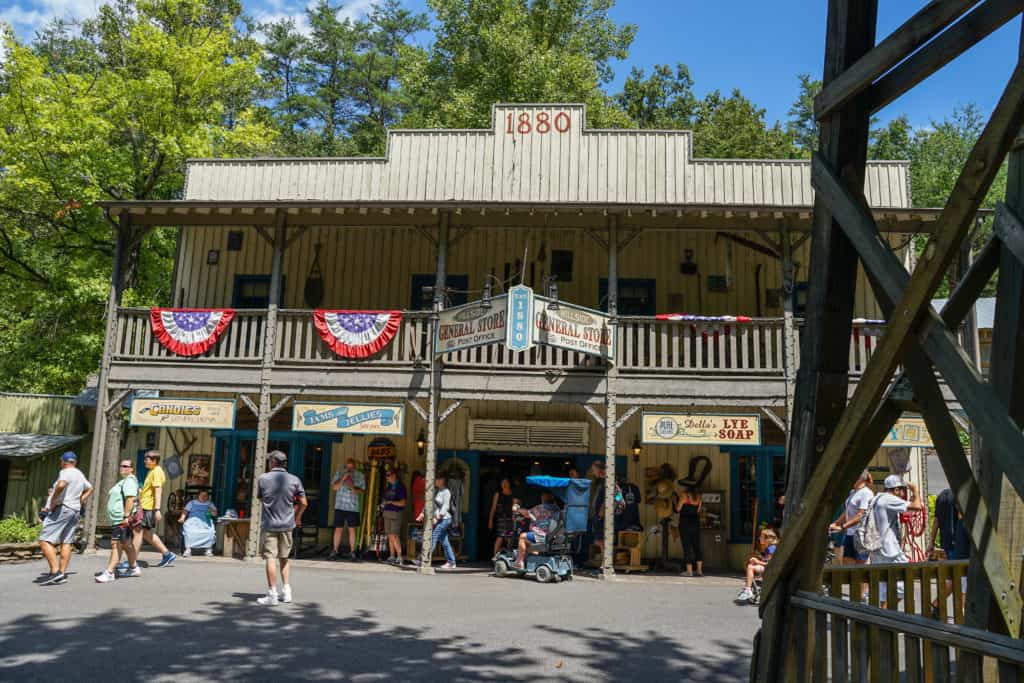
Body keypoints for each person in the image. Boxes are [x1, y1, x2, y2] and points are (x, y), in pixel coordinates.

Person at [256, 450, 307, 606]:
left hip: (270, 524)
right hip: (287, 524)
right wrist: (297, 516)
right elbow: (304, 503)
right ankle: (286, 591)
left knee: (270, 558)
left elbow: (261, 498)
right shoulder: (294, 479)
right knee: (284, 558)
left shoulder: (263, 479)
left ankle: (272, 593)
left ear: (272, 462)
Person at [37, 452, 93, 586]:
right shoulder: (79, 473)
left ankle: (55, 572)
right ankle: (61, 573)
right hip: (74, 510)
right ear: (75, 462)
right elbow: (90, 488)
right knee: (66, 542)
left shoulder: (66, 471)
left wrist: (54, 499)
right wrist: (79, 500)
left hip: (63, 508)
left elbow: (62, 485)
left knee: (44, 540)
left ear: (63, 461)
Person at [870, 474, 923, 606]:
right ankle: (889, 612)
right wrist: (915, 490)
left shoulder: (877, 498)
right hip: (890, 549)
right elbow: (917, 507)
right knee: (905, 579)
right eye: (902, 490)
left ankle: (881, 616)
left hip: (876, 547)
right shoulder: (889, 499)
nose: (903, 493)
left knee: (883, 583)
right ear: (896, 490)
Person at [96, 459, 139, 583]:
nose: (122, 468)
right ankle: (134, 568)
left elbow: (130, 499)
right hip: (119, 519)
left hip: (121, 519)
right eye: (121, 466)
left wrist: (126, 517)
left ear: (132, 469)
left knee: (116, 545)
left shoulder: (129, 480)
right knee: (126, 544)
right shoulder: (125, 481)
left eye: (126, 466)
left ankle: (109, 572)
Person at [132, 450, 176, 568]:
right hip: (145, 506)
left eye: (147, 459)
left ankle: (132, 562)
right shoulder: (152, 471)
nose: (145, 461)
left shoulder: (157, 471)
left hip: (148, 507)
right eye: (145, 459)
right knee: (146, 534)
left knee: (138, 532)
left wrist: (157, 509)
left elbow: (158, 491)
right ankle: (167, 554)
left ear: (155, 460)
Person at [829, 470, 874, 565]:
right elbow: (847, 512)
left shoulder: (866, 493)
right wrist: (836, 523)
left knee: (861, 570)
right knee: (847, 566)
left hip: (861, 536)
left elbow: (860, 515)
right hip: (850, 535)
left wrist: (842, 527)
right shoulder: (853, 492)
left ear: (861, 479)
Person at [512, 491, 561, 569]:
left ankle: (519, 562)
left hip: (543, 536)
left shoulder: (540, 508)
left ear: (543, 498)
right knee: (529, 542)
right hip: (553, 536)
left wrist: (517, 509)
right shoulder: (557, 509)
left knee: (522, 536)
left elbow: (527, 513)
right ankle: (533, 558)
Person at [416, 475, 455, 570]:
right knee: (444, 541)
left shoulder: (446, 492)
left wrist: (438, 518)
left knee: (434, 536)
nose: (435, 481)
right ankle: (451, 562)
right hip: (440, 519)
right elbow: (430, 503)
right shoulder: (437, 491)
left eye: (437, 479)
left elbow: (446, 506)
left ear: (442, 480)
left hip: (444, 519)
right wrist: (422, 513)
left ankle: (424, 559)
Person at [330, 458, 366, 561]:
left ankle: (352, 552)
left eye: (351, 467)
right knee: (338, 529)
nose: (349, 469)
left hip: (352, 507)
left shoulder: (359, 475)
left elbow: (362, 491)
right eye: (347, 467)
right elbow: (334, 488)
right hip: (340, 505)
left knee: (352, 530)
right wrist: (343, 479)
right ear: (345, 465)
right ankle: (335, 551)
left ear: (354, 466)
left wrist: (353, 487)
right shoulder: (340, 472)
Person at [736, 528, 778, 603]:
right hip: (769, 568)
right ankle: (749, 589)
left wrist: (757, 561)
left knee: (750, 567)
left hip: (771, 570)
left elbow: (770, 563)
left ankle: (748, 590)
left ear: (767, 539)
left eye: (761, 537)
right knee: (750, 565)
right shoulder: (769, 548)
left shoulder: (771, 548)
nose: (759, 538)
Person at [178, 489, 218, 557]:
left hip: (205, 520)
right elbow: (185, 511)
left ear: (208, 497)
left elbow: (215, 514)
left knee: (210, 532)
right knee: (189, 531)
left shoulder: (209, 503)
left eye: (205, 495)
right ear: (198, 496)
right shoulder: (192, 503)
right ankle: (188, 549)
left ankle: (208, 549)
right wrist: (182, 518)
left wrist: (211, 510)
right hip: (193, 521)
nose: (203, 497)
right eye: (202, 495)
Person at [675, 485, 703, 577]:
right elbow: (698, 511)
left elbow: (678, 509)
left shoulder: (684, 496)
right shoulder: (699, 497)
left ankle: (689, 571)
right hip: (695, 524)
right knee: (697, 547)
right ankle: (699, 571)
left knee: (687, 547)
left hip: (685, 524)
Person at [381, 468, 406, 565]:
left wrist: (391, 502)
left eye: (388, 475)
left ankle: (400, 557)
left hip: (396, 513)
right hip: (387, 512)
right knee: (389, 535)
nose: (387, 477)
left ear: (394, 475)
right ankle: (392, 556)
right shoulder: (388, 487)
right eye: (386, 475)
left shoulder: (400, 487)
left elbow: (403, 503)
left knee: (395, 535)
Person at [488, 478, 519, 558]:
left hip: (510, 519)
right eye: (502, 482)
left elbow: (515, 506)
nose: (504, 484)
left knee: (509, 537)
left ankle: (509, 556)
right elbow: (493, 507)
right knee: (500, 536)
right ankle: (495, 556)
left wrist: (514, 517)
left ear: (509, 484)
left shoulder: (513, 494)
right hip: (501, 518)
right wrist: (490, 520)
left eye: (506, 482)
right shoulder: (498, 494)